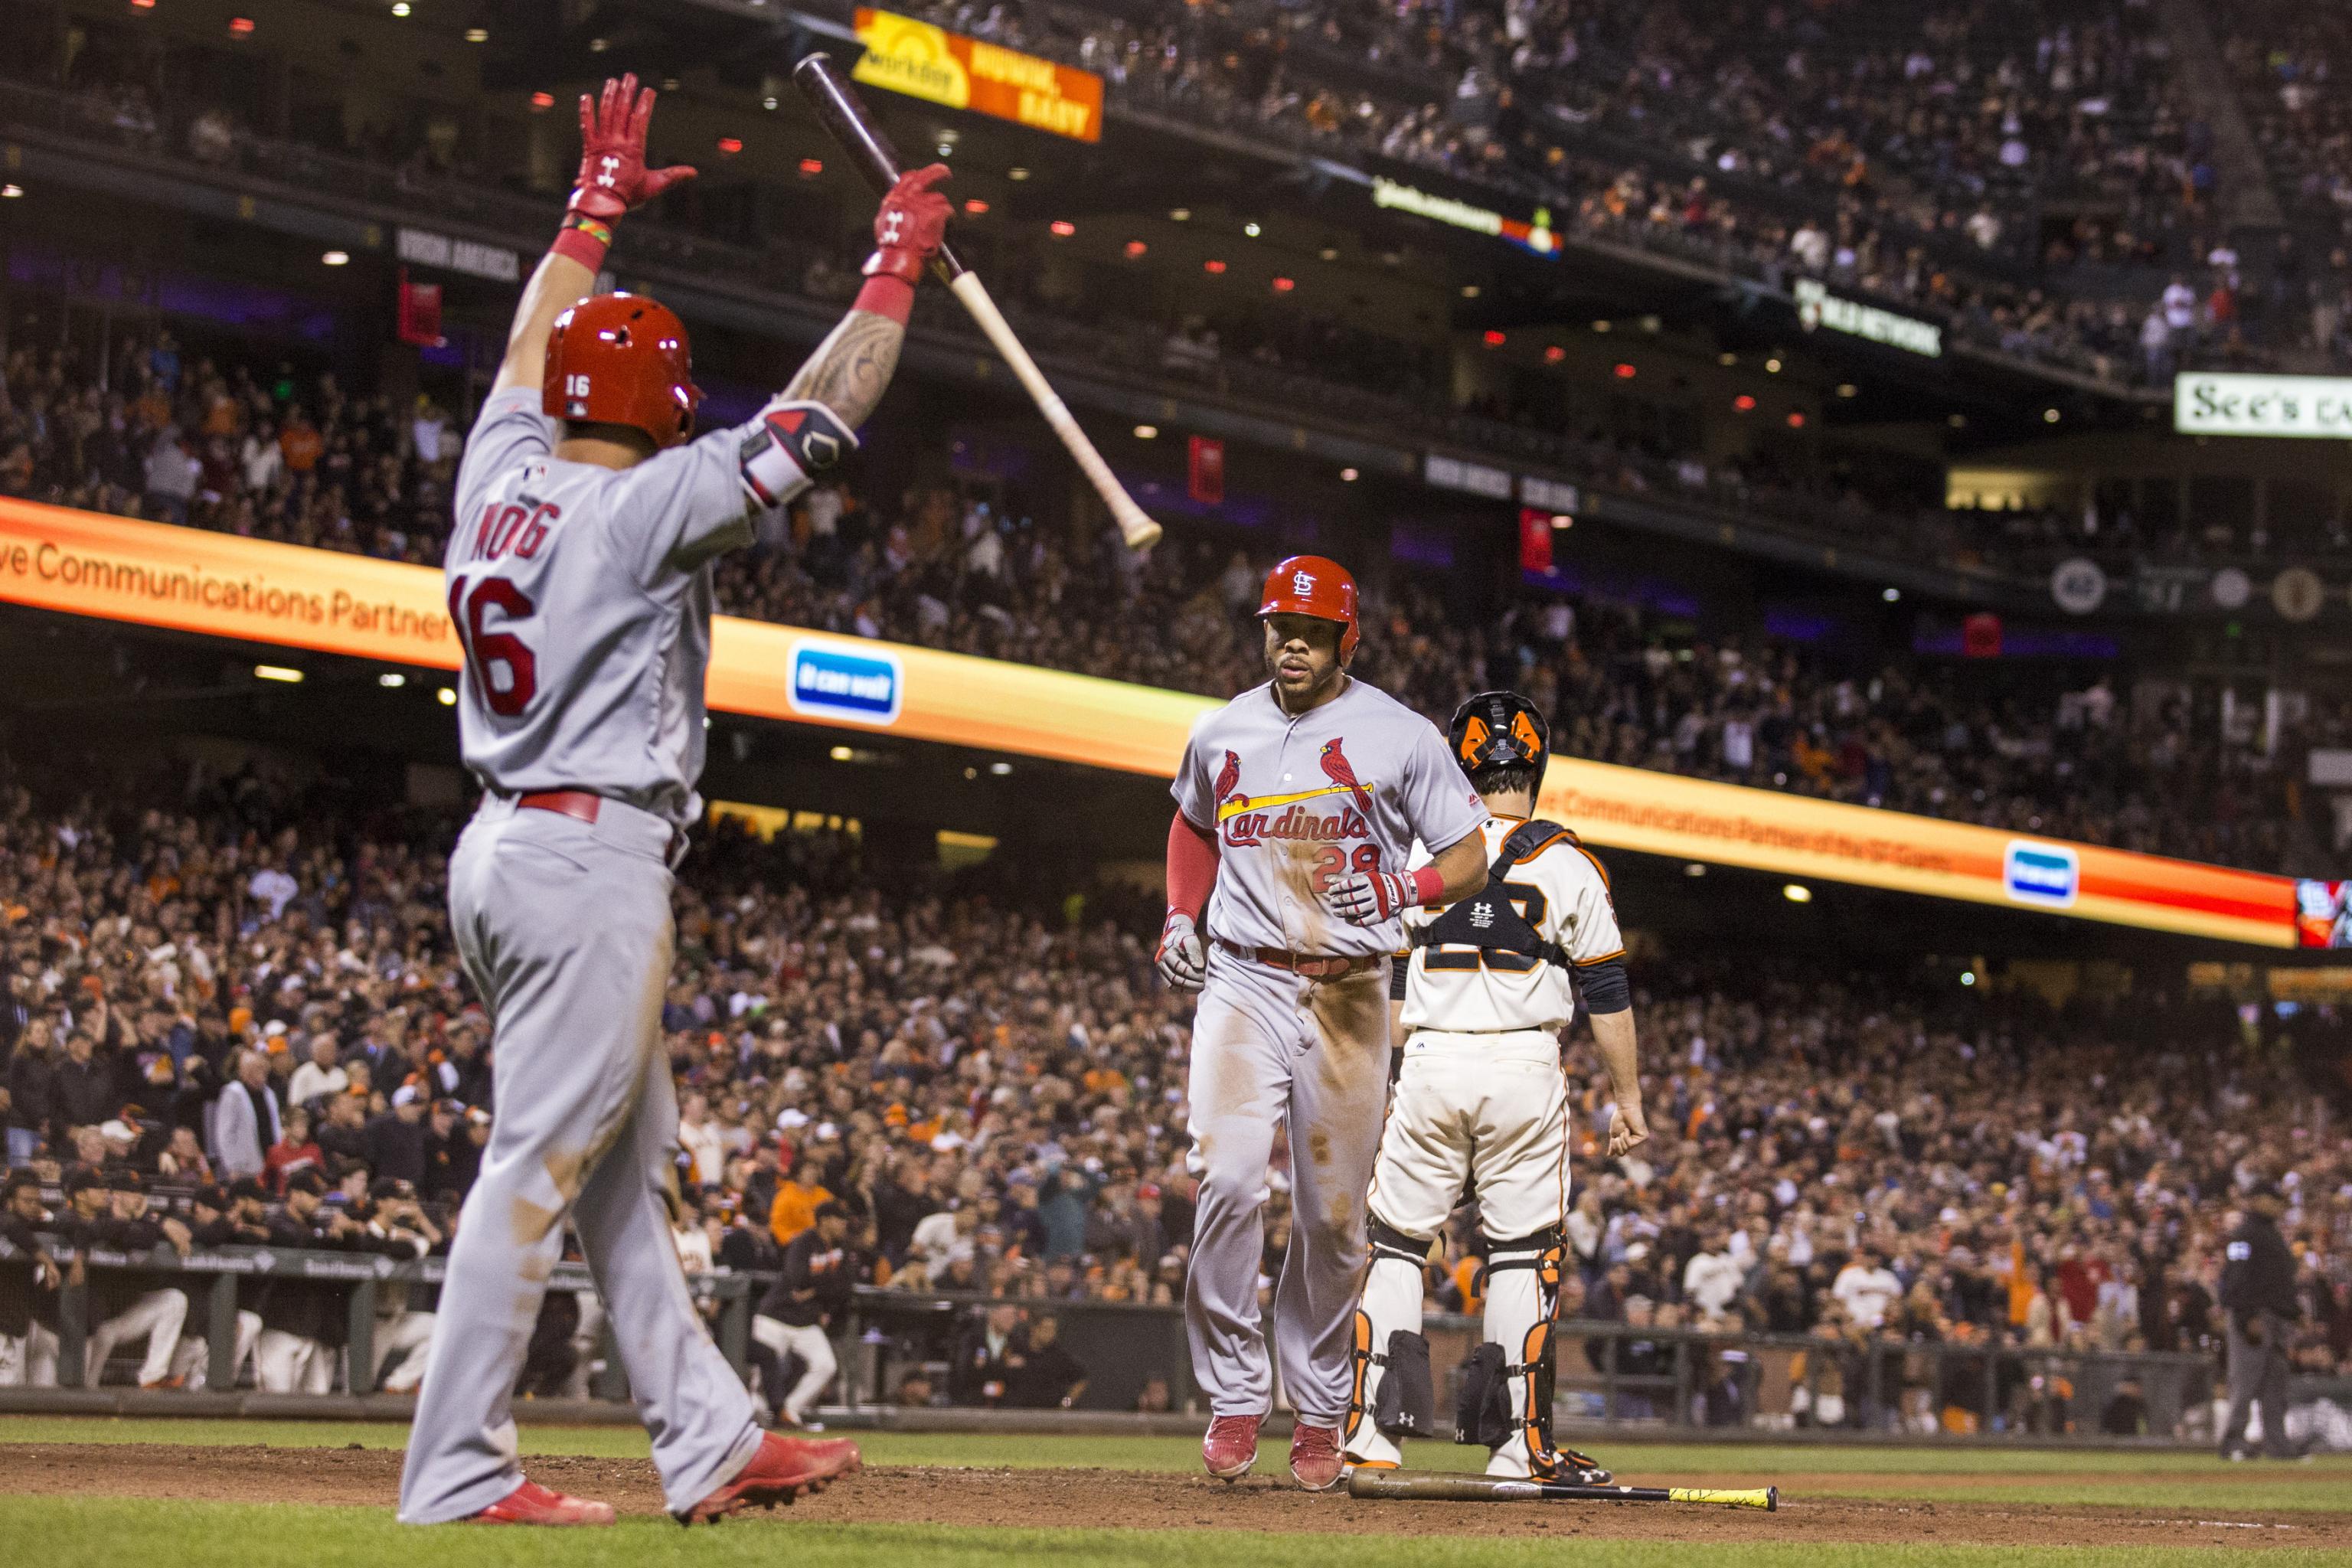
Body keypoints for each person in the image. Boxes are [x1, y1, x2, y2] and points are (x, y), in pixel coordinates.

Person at [397, 74, 950, 1528]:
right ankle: (455, 1472)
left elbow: (526, 347)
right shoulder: (646, 512)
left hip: (504, 844)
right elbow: (823, 417)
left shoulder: (497, 473)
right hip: (589, 857)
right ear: (660, 405)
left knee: (619, 1181)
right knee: (538, 1166)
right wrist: (889, 271)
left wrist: (586, 216)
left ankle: (705, 1439)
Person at [1157, 555, 1492, 1489]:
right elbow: (1192, 823)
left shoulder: (1400, 733)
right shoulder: (1223, 726)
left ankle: (1315, 1405)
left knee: (1335, 1215)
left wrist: (1401, 883)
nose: (1291, 643)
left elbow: (1467, 855)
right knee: (1225, 1178)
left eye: (1311, 630)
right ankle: (1234, 1391)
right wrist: (1180, 914)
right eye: (1278, 627)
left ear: (1350, 636)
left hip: (1351, 990)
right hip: (1245, 979)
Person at [1340, 691, 1638, 1485]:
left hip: (1433, 1057)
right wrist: (1629, 1098)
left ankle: (1371, 1436)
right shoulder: (1570, 861)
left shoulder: (1419, 857)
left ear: (1461, 763)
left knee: (1398, 1244)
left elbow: (1394, 1007)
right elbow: (1607, 992)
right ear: (1537, 762)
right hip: (1522, 1064)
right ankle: (1519, 1449)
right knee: (1522, 1255)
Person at [749, 1200, 853, 1431]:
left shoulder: (842, 1248)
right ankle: (754, 1421)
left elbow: (846, 1286)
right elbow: (797, 1277)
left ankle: (790, 1411)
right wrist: (824, 1287)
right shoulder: (804, 1242)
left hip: (807, 1320)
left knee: (826, 1365)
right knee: (761, 1377)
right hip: (775, 1316)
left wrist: (815, 1290)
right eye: (838, 1219)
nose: (843, 1224)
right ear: (825, 1221)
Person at [2218, 1186, 2302, 1461]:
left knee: (2274, 1387)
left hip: (2277, 1318)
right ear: (2256, 1200)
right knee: (2245, 1382)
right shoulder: (2245, 1233)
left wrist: (2292, 1313)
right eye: (2272, 1199)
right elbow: (2236, 1277)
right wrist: (2246, 1316)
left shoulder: (2271, 1233)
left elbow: (2277, 1282)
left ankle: (2278, 1445)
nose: (2278, 1205)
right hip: (2254, 1317)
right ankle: (2233, 1441)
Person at [0, 1171, 64, 1387]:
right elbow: (9, 1224)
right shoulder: (8, 1221)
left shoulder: (33, 1227)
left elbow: (66, 1226)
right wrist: (48, 1261)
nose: (33, 1206)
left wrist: (48, 1218)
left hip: (13, 1323)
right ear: (10, 1202)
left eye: (37, 1201)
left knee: (13, 1384)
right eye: (27, 1201)